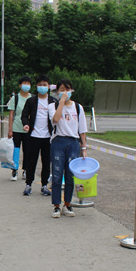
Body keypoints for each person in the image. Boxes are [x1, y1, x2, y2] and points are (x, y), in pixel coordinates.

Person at [49, 79, 88, 218]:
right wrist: (61, 102)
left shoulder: (78, 107)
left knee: (70, 175)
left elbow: (82, 129)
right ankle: (56, 206)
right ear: (57, 92)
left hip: (73, 143)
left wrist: (84, 148)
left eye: (67, 89)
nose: (65, 92)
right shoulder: (53, 106)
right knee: (57, 174)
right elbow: (55, 120)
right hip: (58, 142)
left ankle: (67, 204)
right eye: (62, 90)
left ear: (72, 91)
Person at [20, 75, 57, 196]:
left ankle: (44, 185)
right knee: (31, 161)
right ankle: (28, 184)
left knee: (46, 162)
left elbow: (57, 118)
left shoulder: (53, 101)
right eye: (40, 85)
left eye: (44, 85)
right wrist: (26, 124)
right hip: (34, 136)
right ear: (36, 86)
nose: (42, 87)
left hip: (48, 137)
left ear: (48, 86)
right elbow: (24, 115)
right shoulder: (31, 101)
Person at [6, 76, 32, 181]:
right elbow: (11, 114)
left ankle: (25, 170)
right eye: (24, 83)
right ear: (20, 85)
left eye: (28, 83)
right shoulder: (15, 98)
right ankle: (14, 170)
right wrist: (10, 130)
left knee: (28, 151)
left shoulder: (32, 98)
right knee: (15, 150)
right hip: (16, 128)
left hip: (28, 129)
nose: (26, 85)